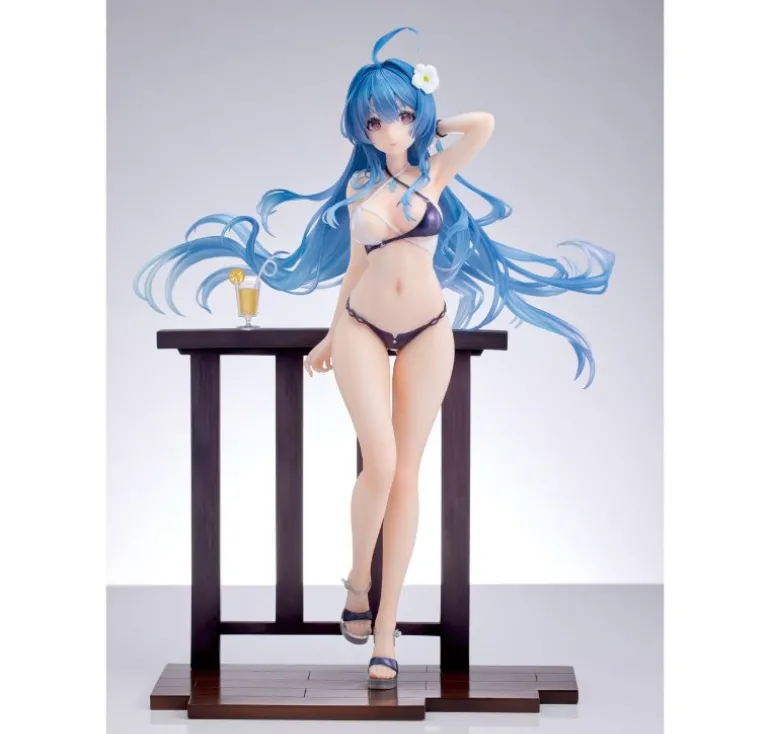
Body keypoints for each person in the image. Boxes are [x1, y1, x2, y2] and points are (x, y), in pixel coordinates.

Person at [133, 26, 615, 690]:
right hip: (362, 325)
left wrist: (432, 118)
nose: (391, 129)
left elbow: (483, 125)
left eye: (401, 115)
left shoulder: (435, 172)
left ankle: (384, 630)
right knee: (380, 462)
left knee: (408, 474)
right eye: (376, 119)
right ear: (360, 127)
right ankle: (358, 578)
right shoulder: (360, 189)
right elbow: (355, 268)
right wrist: (333, 334)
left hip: (429, 329)